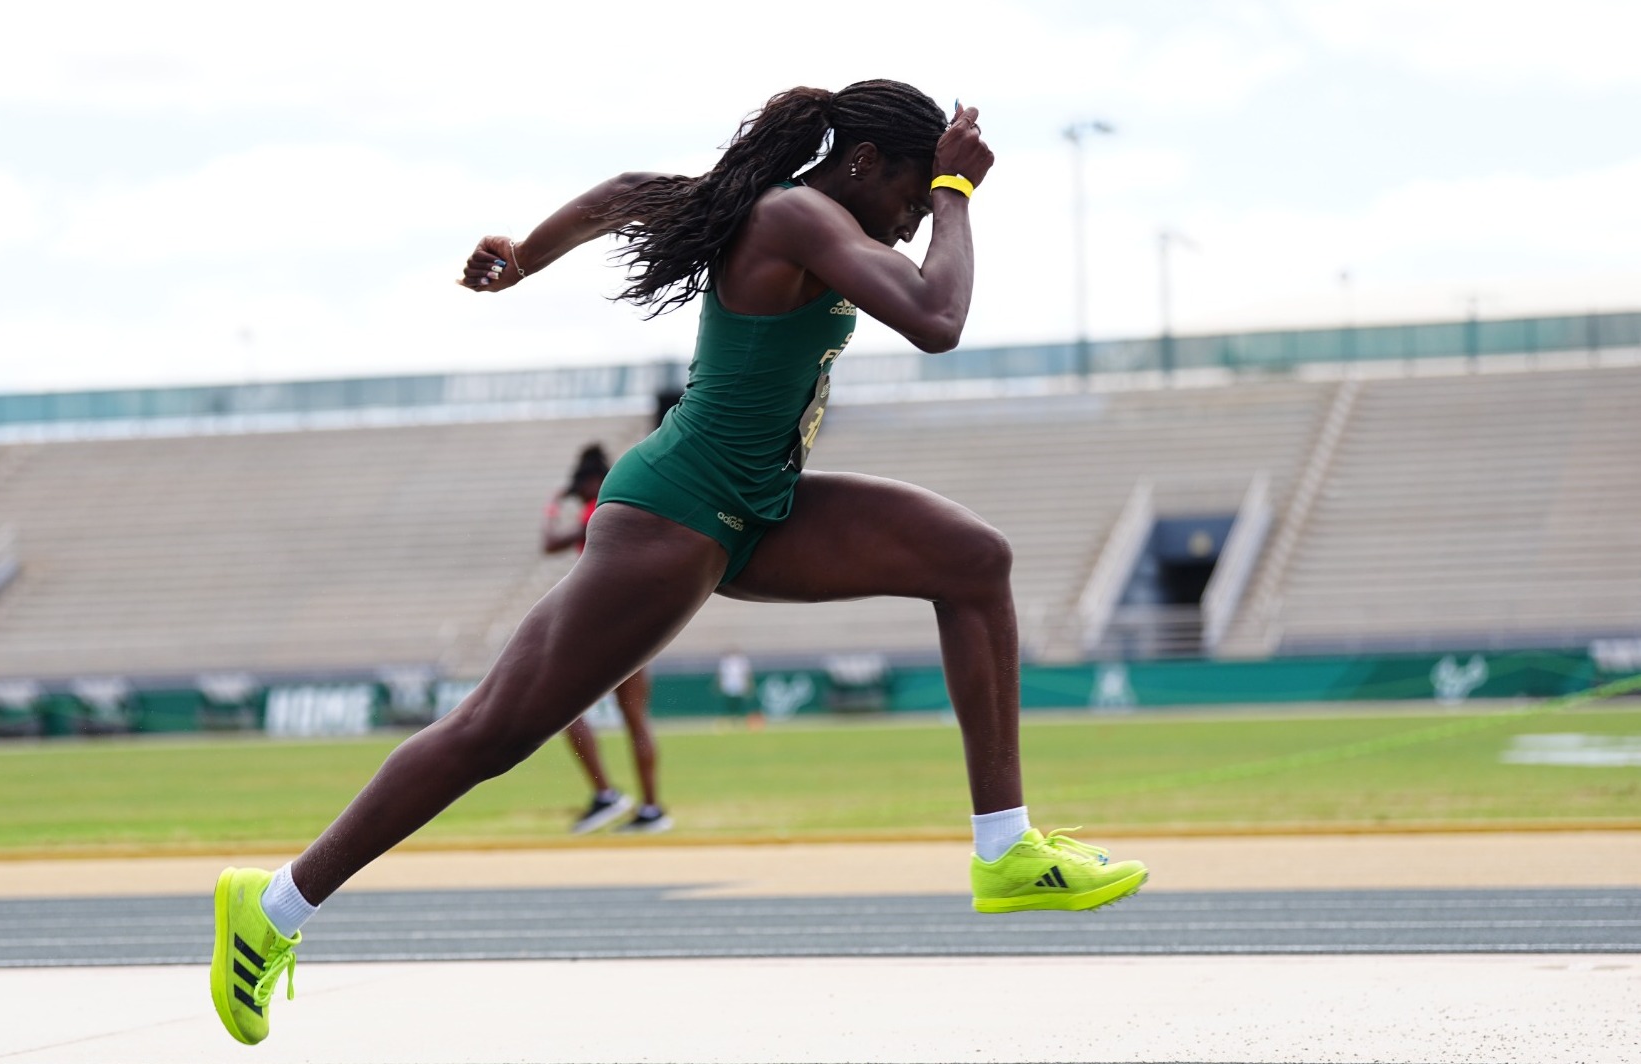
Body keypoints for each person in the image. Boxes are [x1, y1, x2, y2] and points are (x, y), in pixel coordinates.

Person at [211, 79, 1147, 1047]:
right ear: (864, 161)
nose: (915, 223)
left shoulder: (774, 208)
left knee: (971, 559)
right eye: (910, 199)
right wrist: (958, 186)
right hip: (677, 515)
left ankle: (1005, 848)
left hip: (755, 509)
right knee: (492, 732)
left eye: (926, 209)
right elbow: (935, 318)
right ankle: (272, 905)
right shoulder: (797, 214)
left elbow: (622, 192)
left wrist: (527, 256)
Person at [544, 443, 670, 834]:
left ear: (593, 481)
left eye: (580, 485)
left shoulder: (597, 510)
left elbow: (549, 544)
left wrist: (552, 507)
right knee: (635, 719)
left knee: (559, 708)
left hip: (604, 620)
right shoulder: (626, 504)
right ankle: (651, 809)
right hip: (635, 619)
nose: (577, 491)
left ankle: (605, 795)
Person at [716, 648, 760, 729]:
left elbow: (747, 674)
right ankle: (730, 720)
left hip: (739, 686)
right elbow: (721, 675)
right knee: (730, 705)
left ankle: (738, 720)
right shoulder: (725, 661)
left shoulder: (742, 661)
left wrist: (749, 685)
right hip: (729, 686)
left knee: (739, 704)